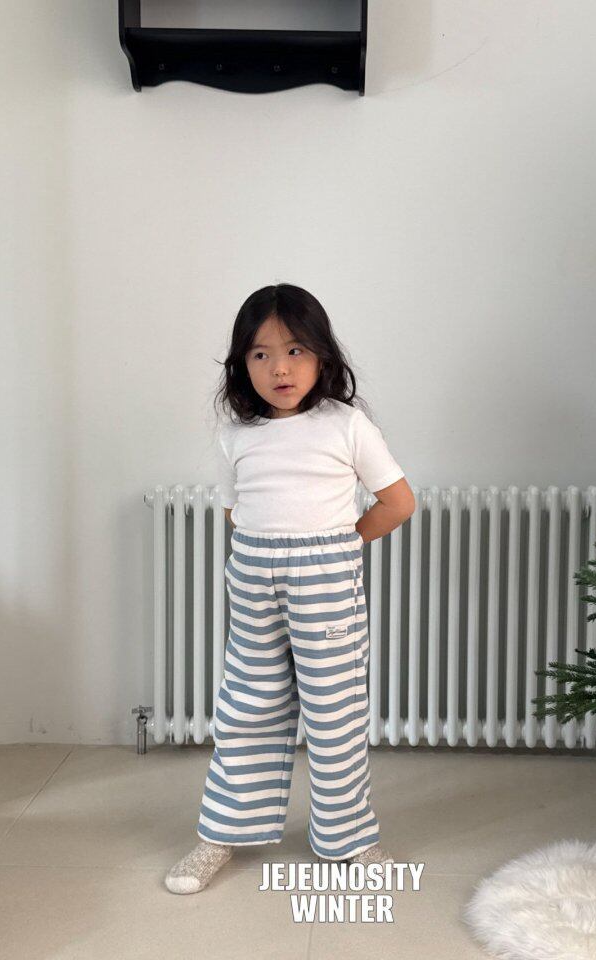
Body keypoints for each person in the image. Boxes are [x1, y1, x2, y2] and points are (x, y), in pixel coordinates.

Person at [165, 283, 415, 894]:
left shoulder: (346, 425)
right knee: (245, 707)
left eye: (295, 350)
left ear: (322, 356)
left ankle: (349, 837)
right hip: (253, 582)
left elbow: (398, 503)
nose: (280, 368)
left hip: (326, 584)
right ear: (241, 365)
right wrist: (269, 552)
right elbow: (235, 512)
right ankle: (220, 833)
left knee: (335, 712)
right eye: (261, 354)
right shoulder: (236, 435)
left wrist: (339, 545)